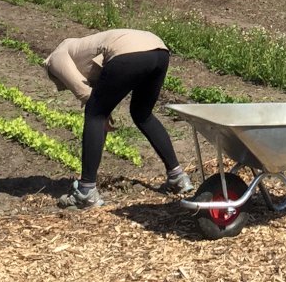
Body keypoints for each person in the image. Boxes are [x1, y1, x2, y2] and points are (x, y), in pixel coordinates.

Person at [44, 28, 195, 207]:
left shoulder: (55, 58)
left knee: (94, 113)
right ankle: (178, 178)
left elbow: (85, 93)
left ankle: (85, 192)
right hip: (159, 51)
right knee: (142, 113)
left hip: (128, 53)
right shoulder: (82, 49)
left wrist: (102, 114)